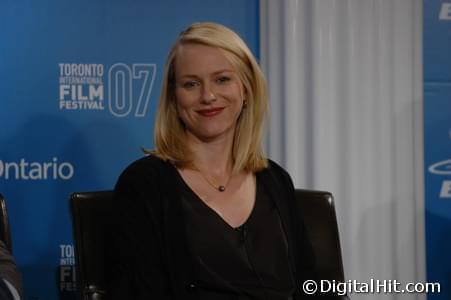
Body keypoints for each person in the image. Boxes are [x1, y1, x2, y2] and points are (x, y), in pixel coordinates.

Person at [109, 22, 322, 299]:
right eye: (191, 84)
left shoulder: (275, 180)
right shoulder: (145, 185)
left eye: (222, 79)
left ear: (246, 89)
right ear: (174, 97)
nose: (208, 96)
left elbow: (313, 288)